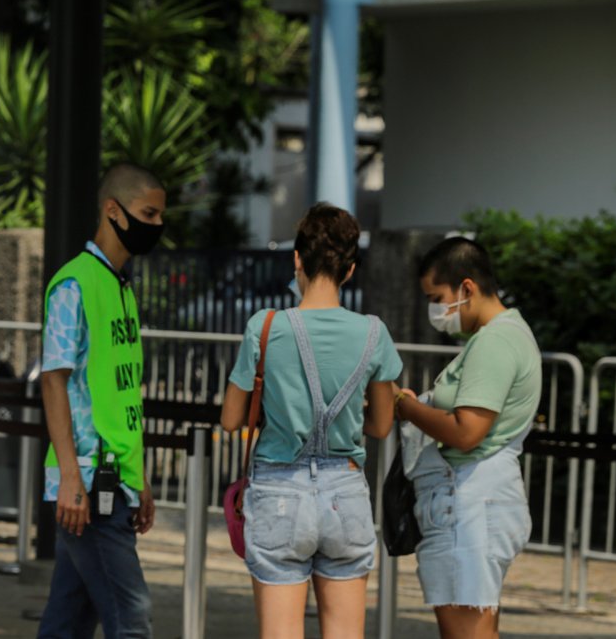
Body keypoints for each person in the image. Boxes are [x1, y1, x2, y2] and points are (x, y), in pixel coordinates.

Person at [220, 204, 402, 639]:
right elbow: (380, 426)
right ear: (351, 269)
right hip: (346, 494)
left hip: (280, 492)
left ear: (297, 259)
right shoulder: (375, 334)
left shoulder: (264, 328)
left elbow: (230, 419)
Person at [36, 163, 165, 639]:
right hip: (87, 483)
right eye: (147, 214)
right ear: (113, 210)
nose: (156, 226)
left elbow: (120, 395)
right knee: (131, 619)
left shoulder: (119, 286)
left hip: (111, 482)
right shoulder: (75, 284)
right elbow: (54, 379)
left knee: (68, 619)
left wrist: (140, 480)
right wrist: (70, 475)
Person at [393, 237, 542, 639]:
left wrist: (408, 410)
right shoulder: (502, 335)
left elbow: (467, 432)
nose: (435, 309)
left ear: (467, 288)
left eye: (437, 297)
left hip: (469, 505)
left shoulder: (494, 342)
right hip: (475, 502)